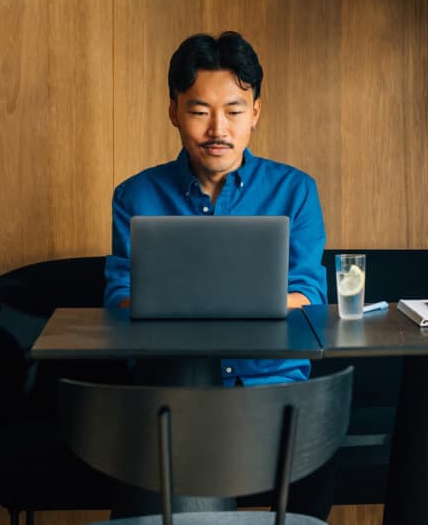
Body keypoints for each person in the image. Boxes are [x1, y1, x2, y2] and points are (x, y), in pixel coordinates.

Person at [103, 31, 328, 386]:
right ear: (174, 112)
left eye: (234, 111)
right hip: (172, 387)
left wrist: (192, 310)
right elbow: (120, 299)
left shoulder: (295, 191)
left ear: (255, 113)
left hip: (269, 386)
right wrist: (243, 307)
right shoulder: (135, 196)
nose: (217, 129)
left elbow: (308, 296)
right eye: (199, 111)